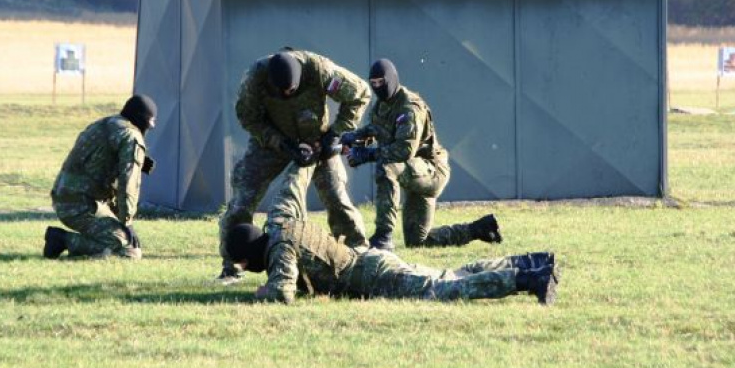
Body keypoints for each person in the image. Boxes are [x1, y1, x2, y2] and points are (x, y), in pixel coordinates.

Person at [218, 48, 371, 281]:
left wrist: (334, 135)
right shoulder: (256, 77)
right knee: (241, 200)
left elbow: (360, 94)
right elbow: (248, 117)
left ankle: (358, 256)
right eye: (281, 91)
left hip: (317, 141)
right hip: (272, 143)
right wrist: (280, 143)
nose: (286, 94)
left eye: (291, 90)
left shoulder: (320, 70)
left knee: (336, 197)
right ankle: (233, 264)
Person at [341, 58, 501, 251]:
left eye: (381, 82)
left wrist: (367, 155)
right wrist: (353, 138)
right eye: (373, 83)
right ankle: (480, 229)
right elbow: (375, 129)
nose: (377, 87)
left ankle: (383, 236)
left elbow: (403, 150)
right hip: (413, 172)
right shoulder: (382, 106)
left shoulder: (410, 107)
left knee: (387, 167)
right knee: (418, 242)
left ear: (391, 79)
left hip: (431, 170)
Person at [225, 220, 558, 305]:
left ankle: (530, 279)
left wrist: (263, 293)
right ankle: (533, 262)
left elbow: (282, 293)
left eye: (241, 263)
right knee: (452, 274)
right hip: (371, 261)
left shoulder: (280, 248)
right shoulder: (282, 228)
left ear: (248, 256)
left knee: (443, 290)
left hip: (375, 276)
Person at [43, 94, 158, 260]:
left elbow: (95, 160)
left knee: (119, 237)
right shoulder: (130, 136)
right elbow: (128, 184)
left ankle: (65, 239)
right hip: (82, 205)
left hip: (65, 197)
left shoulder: (104, 124)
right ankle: (63, 240)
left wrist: (136, 160)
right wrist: (127, 223)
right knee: (129, 250)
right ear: (141, 121)